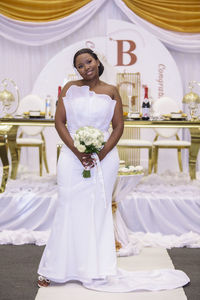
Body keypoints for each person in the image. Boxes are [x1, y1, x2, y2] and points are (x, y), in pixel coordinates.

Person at [37, 48, 189, 292]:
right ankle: (53, 268)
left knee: (97, 209)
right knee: (67, 206)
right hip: (71, 155)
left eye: (88, 61)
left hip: (104, 158)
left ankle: (96, 268)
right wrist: (77, 151)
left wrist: (101, 153)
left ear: (97, 61)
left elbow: (118, 126)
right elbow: (59, 122)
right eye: (79, 65)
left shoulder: (111, 91)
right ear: (75, 69)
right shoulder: (69, 89)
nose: (85, 67)